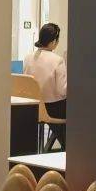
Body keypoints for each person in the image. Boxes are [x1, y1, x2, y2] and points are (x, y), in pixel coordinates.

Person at [22, 23, 67, 151]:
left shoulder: (28, 58)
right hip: (53, 109)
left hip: (32, 109)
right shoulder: (58, 60)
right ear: (53, 41)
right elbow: (62, 91)